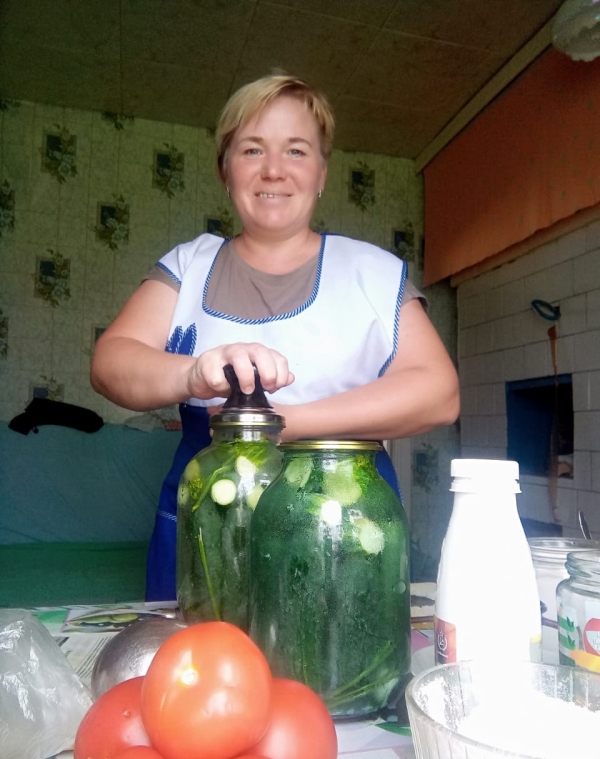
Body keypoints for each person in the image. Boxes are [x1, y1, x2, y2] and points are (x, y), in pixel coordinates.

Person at [91, 72, 460, 601]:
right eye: (252, 149)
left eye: (296, 151)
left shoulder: (373, 272)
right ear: (225, 169)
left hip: (342, 523)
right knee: (199, 652)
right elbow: (110, 362)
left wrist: (281, 426)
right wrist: (192, 373)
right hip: (204, 529)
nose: (273, 170)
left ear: (321, 172)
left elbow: (439, 392)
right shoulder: (188, 266)